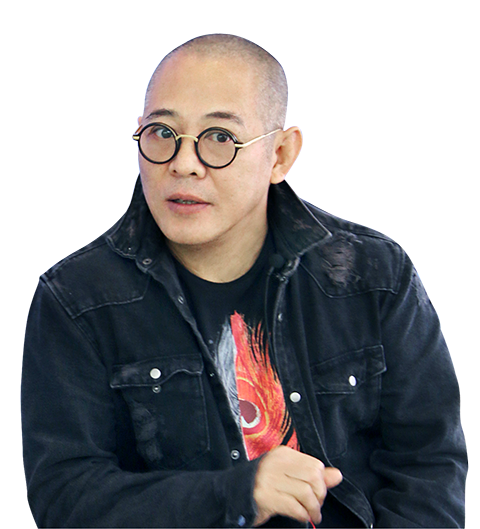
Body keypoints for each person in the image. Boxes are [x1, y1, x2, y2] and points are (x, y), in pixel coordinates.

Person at [22, 34, 467, 528]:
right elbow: (67, 498)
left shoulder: (374, 276)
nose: (183, 163)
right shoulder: (78, 299)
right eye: (162, 132)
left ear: (280, 155)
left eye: (219, 138)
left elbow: (431, 467)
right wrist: (234, 494)